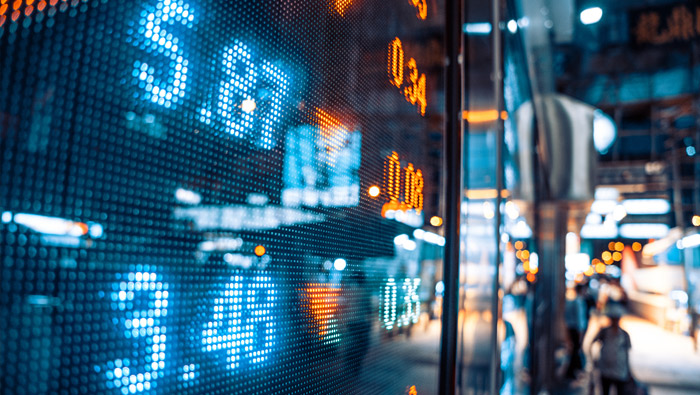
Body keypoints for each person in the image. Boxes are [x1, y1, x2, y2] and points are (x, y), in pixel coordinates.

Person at [590, 304, 632, 395]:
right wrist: (593, 360)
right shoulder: (604, 332)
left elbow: (627, 353)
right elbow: (592, 343)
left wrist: (629, 371)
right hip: (605, 369)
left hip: (620, 370)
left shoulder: (624, 335)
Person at [564, 284, 589, 380]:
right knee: (575, 349)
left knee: (574, 349)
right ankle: (572, 370)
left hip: (572, 328)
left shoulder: (572, 301)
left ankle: (574, 369)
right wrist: (580, 333)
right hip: (576, 329)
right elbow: (579, 318)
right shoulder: (578, 301)